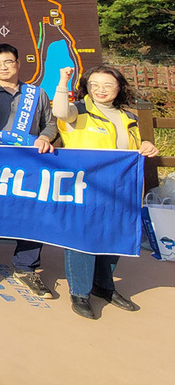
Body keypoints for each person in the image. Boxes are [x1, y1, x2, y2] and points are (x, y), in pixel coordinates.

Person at [53, 65, 159, 319]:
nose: (101, 90)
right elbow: (59, 110)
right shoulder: (78, 111)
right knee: (82, 240)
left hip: (120, 190)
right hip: (86, 187)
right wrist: (62, 81)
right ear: (87, 88)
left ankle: (104, 286)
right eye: (95, 85)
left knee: (114, 238)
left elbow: (132, 149)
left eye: (108, 85)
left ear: (119, 88)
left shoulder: (127, 118)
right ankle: (80, 292)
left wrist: (146, 144)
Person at [0, 43, 57, 297]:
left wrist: (45, 138)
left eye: (7, 62)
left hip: (29, 166)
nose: (2, 68)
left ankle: (25, 267)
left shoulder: (36, 94)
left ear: (18, 64)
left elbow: (49, 124)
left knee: (31, 215)